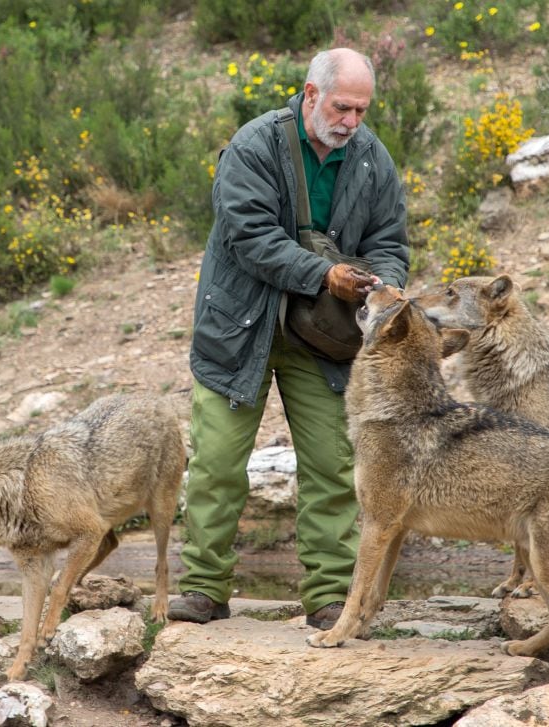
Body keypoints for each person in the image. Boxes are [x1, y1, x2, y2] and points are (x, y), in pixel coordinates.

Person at [168, 48, 409, 630]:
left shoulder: (373, 159)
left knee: (331, 466)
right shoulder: (255, 145)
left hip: (322, 339)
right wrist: (324, 274)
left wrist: (387, 284)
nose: (352, 121)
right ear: (309, 94)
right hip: (239, 326)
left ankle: (330, 596)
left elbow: (390, 240)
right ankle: (203, 588)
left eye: (361, 109)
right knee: (218, 465)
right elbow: (248, 235)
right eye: (342, 106)